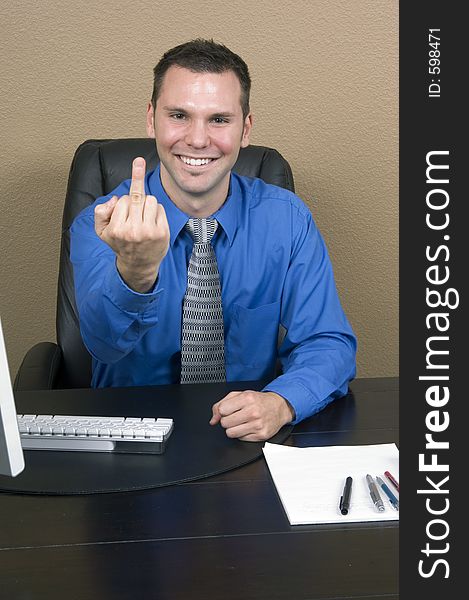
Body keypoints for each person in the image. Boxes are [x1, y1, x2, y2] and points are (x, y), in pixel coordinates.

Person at [70, 39, 357, 442]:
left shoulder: (288, 220)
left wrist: (282, 402)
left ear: (246, 128)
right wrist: (134, 270)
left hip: (243, 440)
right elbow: (102, 346)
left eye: (219, 119)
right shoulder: (102, 223)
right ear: (152, 119)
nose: (198, 140)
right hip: (130, 441)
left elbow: (328, 343)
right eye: (179, 116)